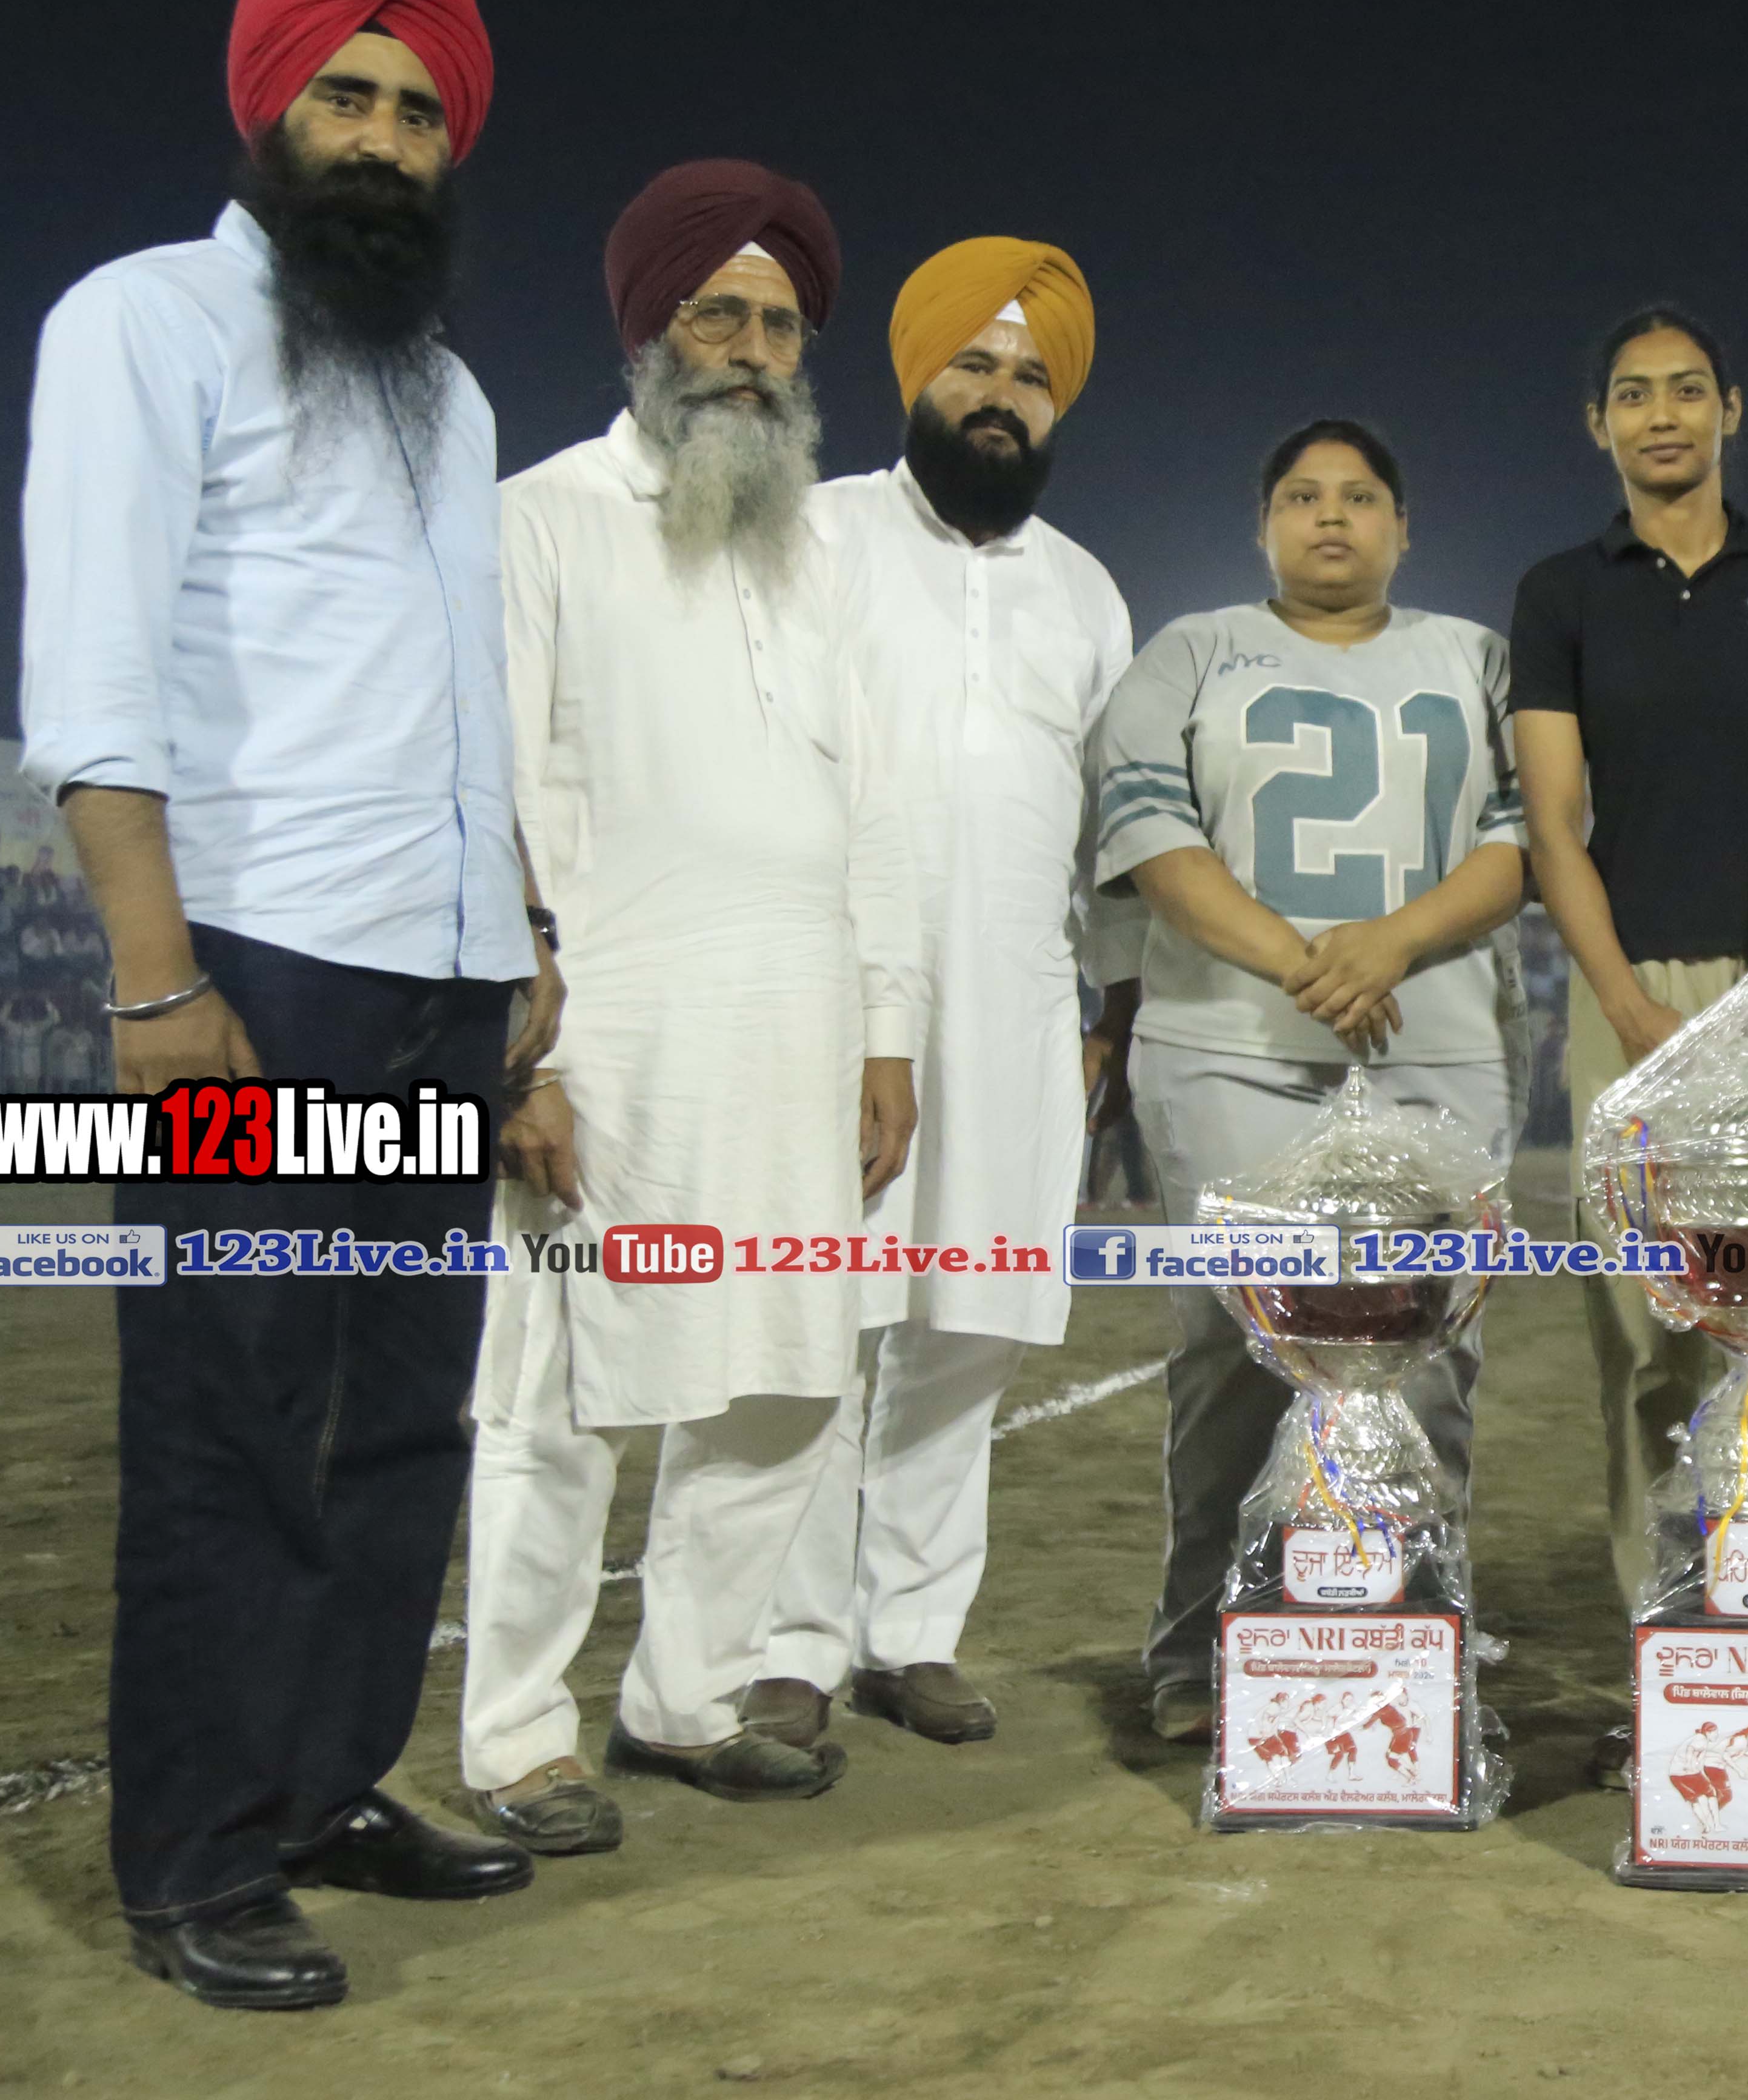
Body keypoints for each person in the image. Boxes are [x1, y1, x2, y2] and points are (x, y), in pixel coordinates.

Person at [15, 0, 558, 2011]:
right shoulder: (144, 321)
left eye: (419, 111)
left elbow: (460, 696)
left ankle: (327, 1789)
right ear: (270, 110)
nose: (386, 139)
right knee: (232, 1416)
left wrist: (519, 939)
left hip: (438, 986)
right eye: (349, 95)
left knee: (405, 1418)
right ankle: (195, 1858)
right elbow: (94, 666)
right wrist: (155, 982)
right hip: (258, 969)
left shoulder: (449, 393)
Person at [459, 161, 924, 1849]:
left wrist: (887, 1033)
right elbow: (488, 791)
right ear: (651, 330)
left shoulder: (819, 557)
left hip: (803, 1032)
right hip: (614, 1035)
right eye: (717, 315)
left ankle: (686, 1696)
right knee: (566, 1395)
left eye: (780, 325)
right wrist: (523, 1056)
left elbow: (878, 810)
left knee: (791, 1380)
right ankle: (518, 1735)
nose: (749, 351)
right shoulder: (539, 517)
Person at [748, 236, 1135, 1750]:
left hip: (1021, 1004)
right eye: (975, 363)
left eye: (1031, 377)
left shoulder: (1088, 592)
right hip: (832, 993)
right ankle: (785, 1645)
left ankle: (909, 1632)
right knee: (822, 1323)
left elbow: (1112, 829)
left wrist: (1110, 1013)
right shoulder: (816, 533)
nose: (1001, 395)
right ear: (917, 375)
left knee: (969, 1328)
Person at [1090, 420, 1526, 1744]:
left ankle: (1411, 1631)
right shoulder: (1191, 651)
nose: (1331, 517)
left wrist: (1391, 943)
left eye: (1360, 496)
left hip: (1435, 1041)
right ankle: (1199, 1646)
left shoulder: (1478, 657)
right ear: (1264, 525)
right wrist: (1305, 962)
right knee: (1235, 1345)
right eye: (1301, 496)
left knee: (1430, 1354)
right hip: (1229, 1043)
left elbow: (1530, 834)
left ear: (1403, 526)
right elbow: (1153, 838)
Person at [1508, 304, 1748, 1779]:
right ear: (1600, 425)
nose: (1662, 416)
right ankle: (1670, 1662)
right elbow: (1553, 825)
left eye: (1687, 391)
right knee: (1646, 1345)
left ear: (1731, 409)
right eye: (1634, 395)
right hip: (1627, 992)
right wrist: (1634, 1013)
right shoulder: (1562, 592)